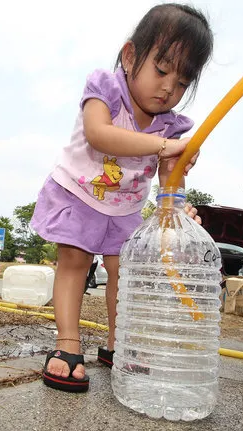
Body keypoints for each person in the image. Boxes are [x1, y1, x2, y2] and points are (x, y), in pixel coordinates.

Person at [31, 3, 213, 392]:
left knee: (124, 273)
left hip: (125, 208)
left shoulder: (173, 125)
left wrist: (177, 200)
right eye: (162, 70)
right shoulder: (105, 88)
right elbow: (99, 134)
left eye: (182, 82)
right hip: (79, 193)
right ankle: (67, 344)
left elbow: (169, 181)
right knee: (75, 263)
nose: (168, 88)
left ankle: (119, 345)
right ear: (130, 56)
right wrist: (165, 145)